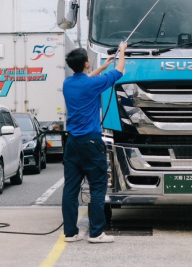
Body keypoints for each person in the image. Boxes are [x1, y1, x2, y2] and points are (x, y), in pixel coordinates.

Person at [61, 42, 127, 243]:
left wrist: (102, 67)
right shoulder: (92, 84)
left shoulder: (67, 83)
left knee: (70, 189)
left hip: (72, 143)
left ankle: (71, 233)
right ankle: (97, 233)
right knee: (98, 186)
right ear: (86, 63)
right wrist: (122, 51)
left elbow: (86, 79)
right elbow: (120, 72)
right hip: (91, 142)